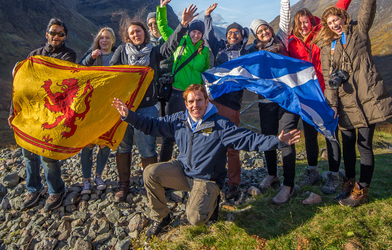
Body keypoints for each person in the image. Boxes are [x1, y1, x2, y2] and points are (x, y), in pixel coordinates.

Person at [111, 84, 301, 238]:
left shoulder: (220, 124)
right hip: (184, 172)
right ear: (186, 104)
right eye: (191, 101)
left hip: (207, 178)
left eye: (199, 100)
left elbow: (249, 139)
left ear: (206, 101)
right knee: (150, 173)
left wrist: (277, 141)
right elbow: (152, 125)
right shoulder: (179, 120)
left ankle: (213, 200)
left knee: (194, 218)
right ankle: (162, 216)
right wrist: (129, 116)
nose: (195, 105)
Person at [317, 0, 392, 207]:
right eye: (331, 23)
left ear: (343, 18)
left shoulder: (359, 30)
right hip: (344, 103)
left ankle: (362, 191)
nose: (336, 25)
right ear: (328, 27)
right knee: (349, 147)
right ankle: (349, 183)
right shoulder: (327, 47)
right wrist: (332, 105)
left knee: (365, 146)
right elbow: (330, 81)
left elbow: (368, 6)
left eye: (337, 20)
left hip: (367, 98)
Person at [277, 0, 362, 194]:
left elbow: (336, 14)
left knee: (330, 133)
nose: (303, 26)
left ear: (312, 22)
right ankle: (313, 171)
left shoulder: (321, 36)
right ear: (296, 25)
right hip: (306, 96)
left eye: (306, 22)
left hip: (325, 93)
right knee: (310, 133)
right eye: (300, 23)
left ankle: (334, 175)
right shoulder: (292, 43)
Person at [109, 4, 198, 201]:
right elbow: (110, 73)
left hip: (147, 108)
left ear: (145, 33)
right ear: (128, 36)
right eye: (132, 33)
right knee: (123, 147)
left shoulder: (154, 52)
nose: (135, 35)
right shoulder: (122, 51)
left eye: (138, 31)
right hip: (124, 108)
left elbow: (171, 46)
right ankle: (124, 185)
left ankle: (151, 185)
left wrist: (183, 25)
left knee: (147, 148)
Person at [8, 18, 76, 212]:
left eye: (60, 34)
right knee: (28, 152)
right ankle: (34, 188)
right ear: (46, 34)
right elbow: (21, 86)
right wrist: (13, 111)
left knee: (47, 152)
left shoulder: (69, 55)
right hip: (31, 110)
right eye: (53, 33)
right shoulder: (34, 55)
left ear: (65, 36)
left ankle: (56, 190)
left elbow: (61, 81)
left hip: (52, 112)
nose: (56, 37)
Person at [245, 16, 299, 205]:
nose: (264, 33)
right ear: (256, 36)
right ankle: (272, 175)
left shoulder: (281, 40)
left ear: (270, 28)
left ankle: (289, 185)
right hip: (266, 101)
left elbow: (286, 18)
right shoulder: (254, 51)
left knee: (287, 137)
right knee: (268, 137)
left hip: (288, 99)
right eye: (259, 32)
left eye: (265, 29)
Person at [156, 0, 211, 162]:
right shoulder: (179, 40)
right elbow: (163, 27)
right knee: (170, 133)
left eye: (199, 33)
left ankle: (187, 166)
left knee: (192, 132)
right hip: (177, 94)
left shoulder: (205, 51)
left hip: (195, 97)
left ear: (202, 35)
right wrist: (162, 8)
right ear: (189, 31)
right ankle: (163, 168)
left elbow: (206, 72)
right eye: (193, 31)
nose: (195, 35)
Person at [203, 3, 251, 201]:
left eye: (236, 32)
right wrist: (207, 16)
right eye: (230, 32)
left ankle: (233, 184)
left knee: (232, 147)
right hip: (214, 102)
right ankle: (214, 178)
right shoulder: (220, 47)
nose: (232, 34)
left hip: (232, 105)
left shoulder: (246, 53)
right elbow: (209, 36)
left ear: (242, 35)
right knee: (213, 142)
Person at [78, 27, 117, 197]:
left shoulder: (118, 55)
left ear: (113, 40)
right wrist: (90, 58)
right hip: (91, 105)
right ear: (98, 41)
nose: (105, 41)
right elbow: (78, 71)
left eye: (108, 38)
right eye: (102, 38)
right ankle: (86, 179)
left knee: (104, 141)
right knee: (88, 142)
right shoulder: (92, 55)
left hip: (109, 106)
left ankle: (99, 176)